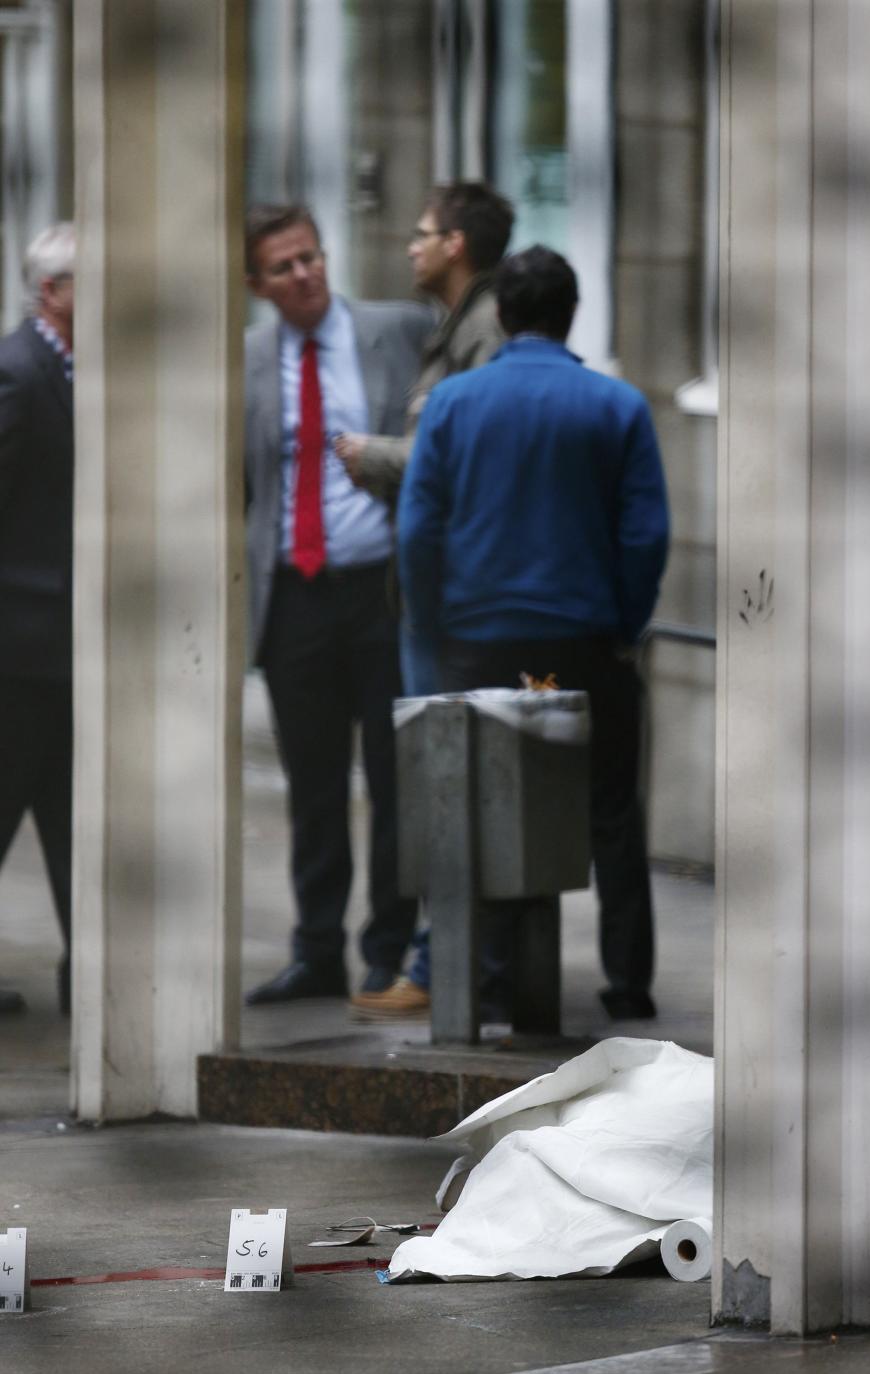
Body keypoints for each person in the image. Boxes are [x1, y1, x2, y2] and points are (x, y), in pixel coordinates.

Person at [388, 245, 669, 1023]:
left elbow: (419, 528)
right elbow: (646, 534)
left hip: (480, 643)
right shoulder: (617, 407)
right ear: (573, 313)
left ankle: (491, 974)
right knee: (612, 809)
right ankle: (628, 983)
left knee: (480, 805)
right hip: (585, 640)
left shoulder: (453, 403)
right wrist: (623, 621)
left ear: (501, 316)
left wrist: (437, 618)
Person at [243, 204, 433, 1005]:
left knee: (393, 781)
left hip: (379, 592)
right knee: (314, 787)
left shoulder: (399, 329)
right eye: (284, 267)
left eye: (312, 257)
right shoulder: (248, 361)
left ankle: (386, 949)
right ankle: (315, 950)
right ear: (256, 284)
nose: (305, 274)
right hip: (294, 598)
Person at [334, 180, 514, 697]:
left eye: (423, 235)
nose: (412, 247)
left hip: (463, 591)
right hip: (444, 584)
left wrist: (374, 457)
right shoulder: (459, 325)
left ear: (454, 244)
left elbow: (471, 456)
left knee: (446, 751)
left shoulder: (485, 329)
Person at [0, 222, 76, 1018]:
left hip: (62, 648)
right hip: (20, 650)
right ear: (53, 292)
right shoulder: (19, 371)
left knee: (69, 813)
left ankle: (85, 972)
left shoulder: (72, 367)